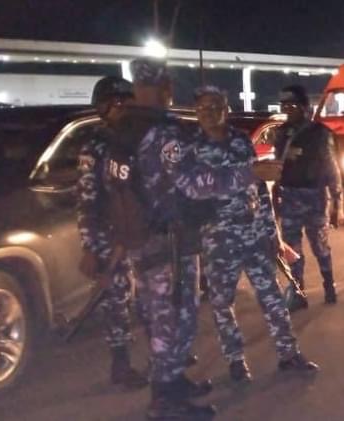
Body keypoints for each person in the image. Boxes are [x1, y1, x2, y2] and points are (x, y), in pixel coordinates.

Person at [117, 57, 250, 419]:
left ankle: (173, 382)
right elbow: (194, 184)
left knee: (162, 316)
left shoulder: (124, 127)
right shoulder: (164, 132)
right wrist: (247, 175)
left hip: (142, 236)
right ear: (166, 88)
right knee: (173, 320)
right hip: (167, 241)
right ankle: (164, 402)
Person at [192, 86, 319, 383]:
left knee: (272, 296)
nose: (210, 113)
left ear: (226, 109)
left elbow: (259, 187)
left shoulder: (240, 141)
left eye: (216, 106)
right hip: (217, 237)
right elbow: (197, 188)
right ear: (196, 112)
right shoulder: (191, 148)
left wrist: (271, 232)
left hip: (252, 233)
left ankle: (288, 354)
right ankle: (235, 360)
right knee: (222, 304)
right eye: (204, 107)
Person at [75, 76, 149, 389]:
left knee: (148, 296)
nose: (123, 108)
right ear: (102, 107)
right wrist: (90, 246)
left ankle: (163, 355)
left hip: (140, 230)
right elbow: (87, 200)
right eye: (116, 103)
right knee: (116, 301)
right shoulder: (95, 146)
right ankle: (121, 365)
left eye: (127, 102)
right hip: (109, 234)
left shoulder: (139, 139)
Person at [271, 85, 344, 304]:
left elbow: (332, 168)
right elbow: (278, 165)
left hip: (315, 198)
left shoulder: (320, 133)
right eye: (284, 106)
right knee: (292, 248)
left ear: (304, 107)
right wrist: (275, 194)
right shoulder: (281, 133)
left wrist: (338, 203)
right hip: (289, 197)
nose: (287, 110)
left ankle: (329, 285)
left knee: (320, 246)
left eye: (292, 105)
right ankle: (298, 292)